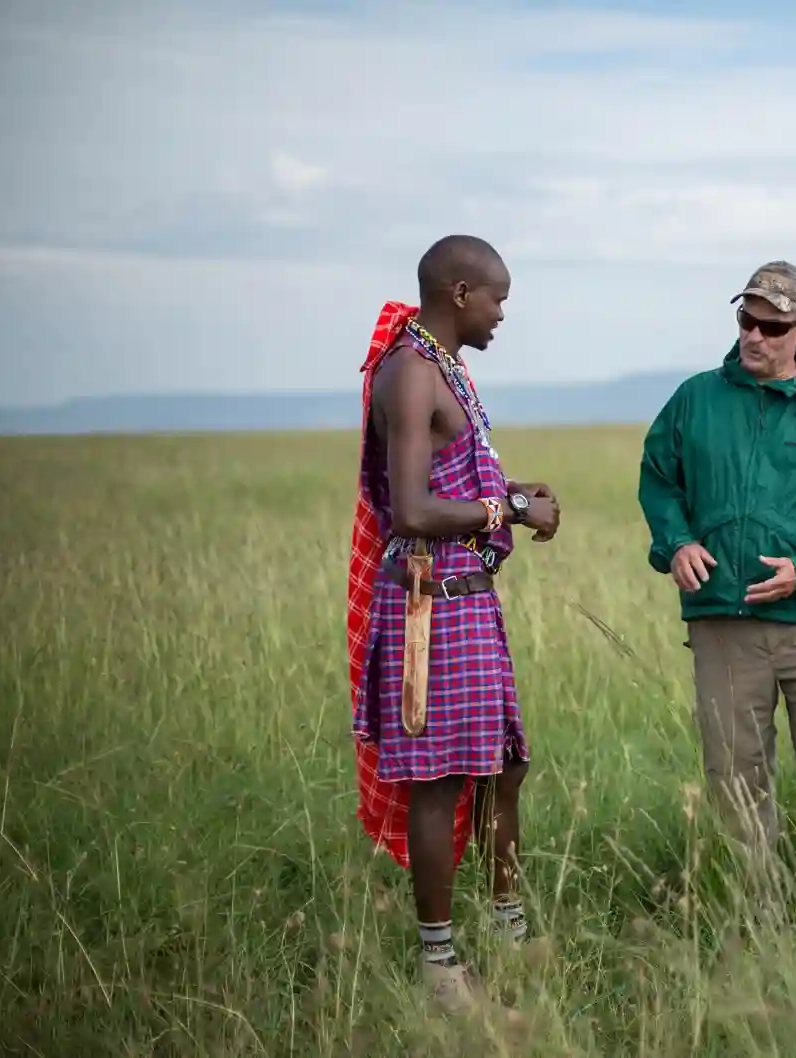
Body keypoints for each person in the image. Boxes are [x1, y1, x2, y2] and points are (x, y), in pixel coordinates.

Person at [345, 234, 562, 1012]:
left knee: (504, 767)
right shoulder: (411, 373)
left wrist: (515, 496)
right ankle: (441, 969)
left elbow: (453, 481)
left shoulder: (443, 369)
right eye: (498, 299)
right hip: (428, 606)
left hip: (465, 597)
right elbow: (411, 508)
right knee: (437, 784)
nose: (502, 314)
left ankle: (508, 929)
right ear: (461, 293)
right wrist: (508, 509)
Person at [637, 261, 796, 945]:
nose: (754, 336)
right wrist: (676, 543)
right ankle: (758, 926)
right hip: (722, 620)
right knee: (735, 779)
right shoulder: (695, 400)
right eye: (746, 320)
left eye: (772, 327)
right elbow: (659, 481)